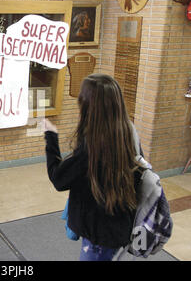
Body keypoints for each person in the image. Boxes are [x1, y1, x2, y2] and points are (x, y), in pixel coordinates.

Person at [42, 73, 143, 261]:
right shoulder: (127, 133)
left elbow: (59, 178)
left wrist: (50, 137)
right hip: (120, 227)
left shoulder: (94, 148)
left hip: (100, 237)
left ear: (89, 106)